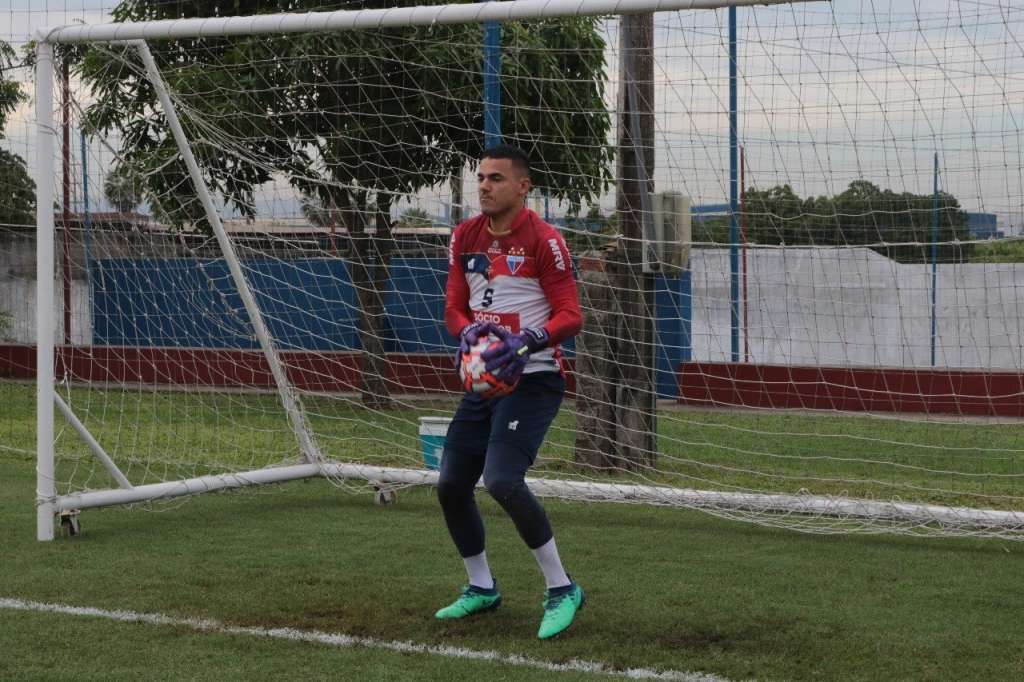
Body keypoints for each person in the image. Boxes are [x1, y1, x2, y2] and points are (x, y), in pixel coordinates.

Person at [435, 145, 585, 639]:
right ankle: (481, 587)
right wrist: (467, 335)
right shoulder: (465, 235)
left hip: (535, 378)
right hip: (485, 381)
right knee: (452, 484)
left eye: (496, 178)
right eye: (480, 177)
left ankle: (562, 588)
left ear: (523, 186)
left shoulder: (546, 241)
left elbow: (570, 315)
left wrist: (526, 342)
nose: (483, 186)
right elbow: (455, 307)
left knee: (501, 480)